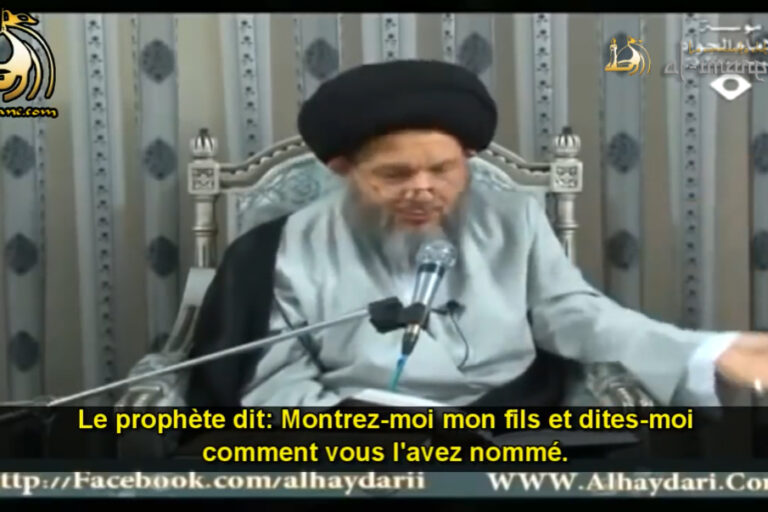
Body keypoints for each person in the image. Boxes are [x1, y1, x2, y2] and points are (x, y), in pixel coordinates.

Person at [184, 59, 768, 410]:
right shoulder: (279, 250)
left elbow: (577, 315)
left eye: (442, 169)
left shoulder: (514, 220)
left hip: (507, 421)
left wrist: (705, 349)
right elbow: (273, 378)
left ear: (466, 158)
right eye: (395, 174)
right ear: (344, 170)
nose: (423, 189)